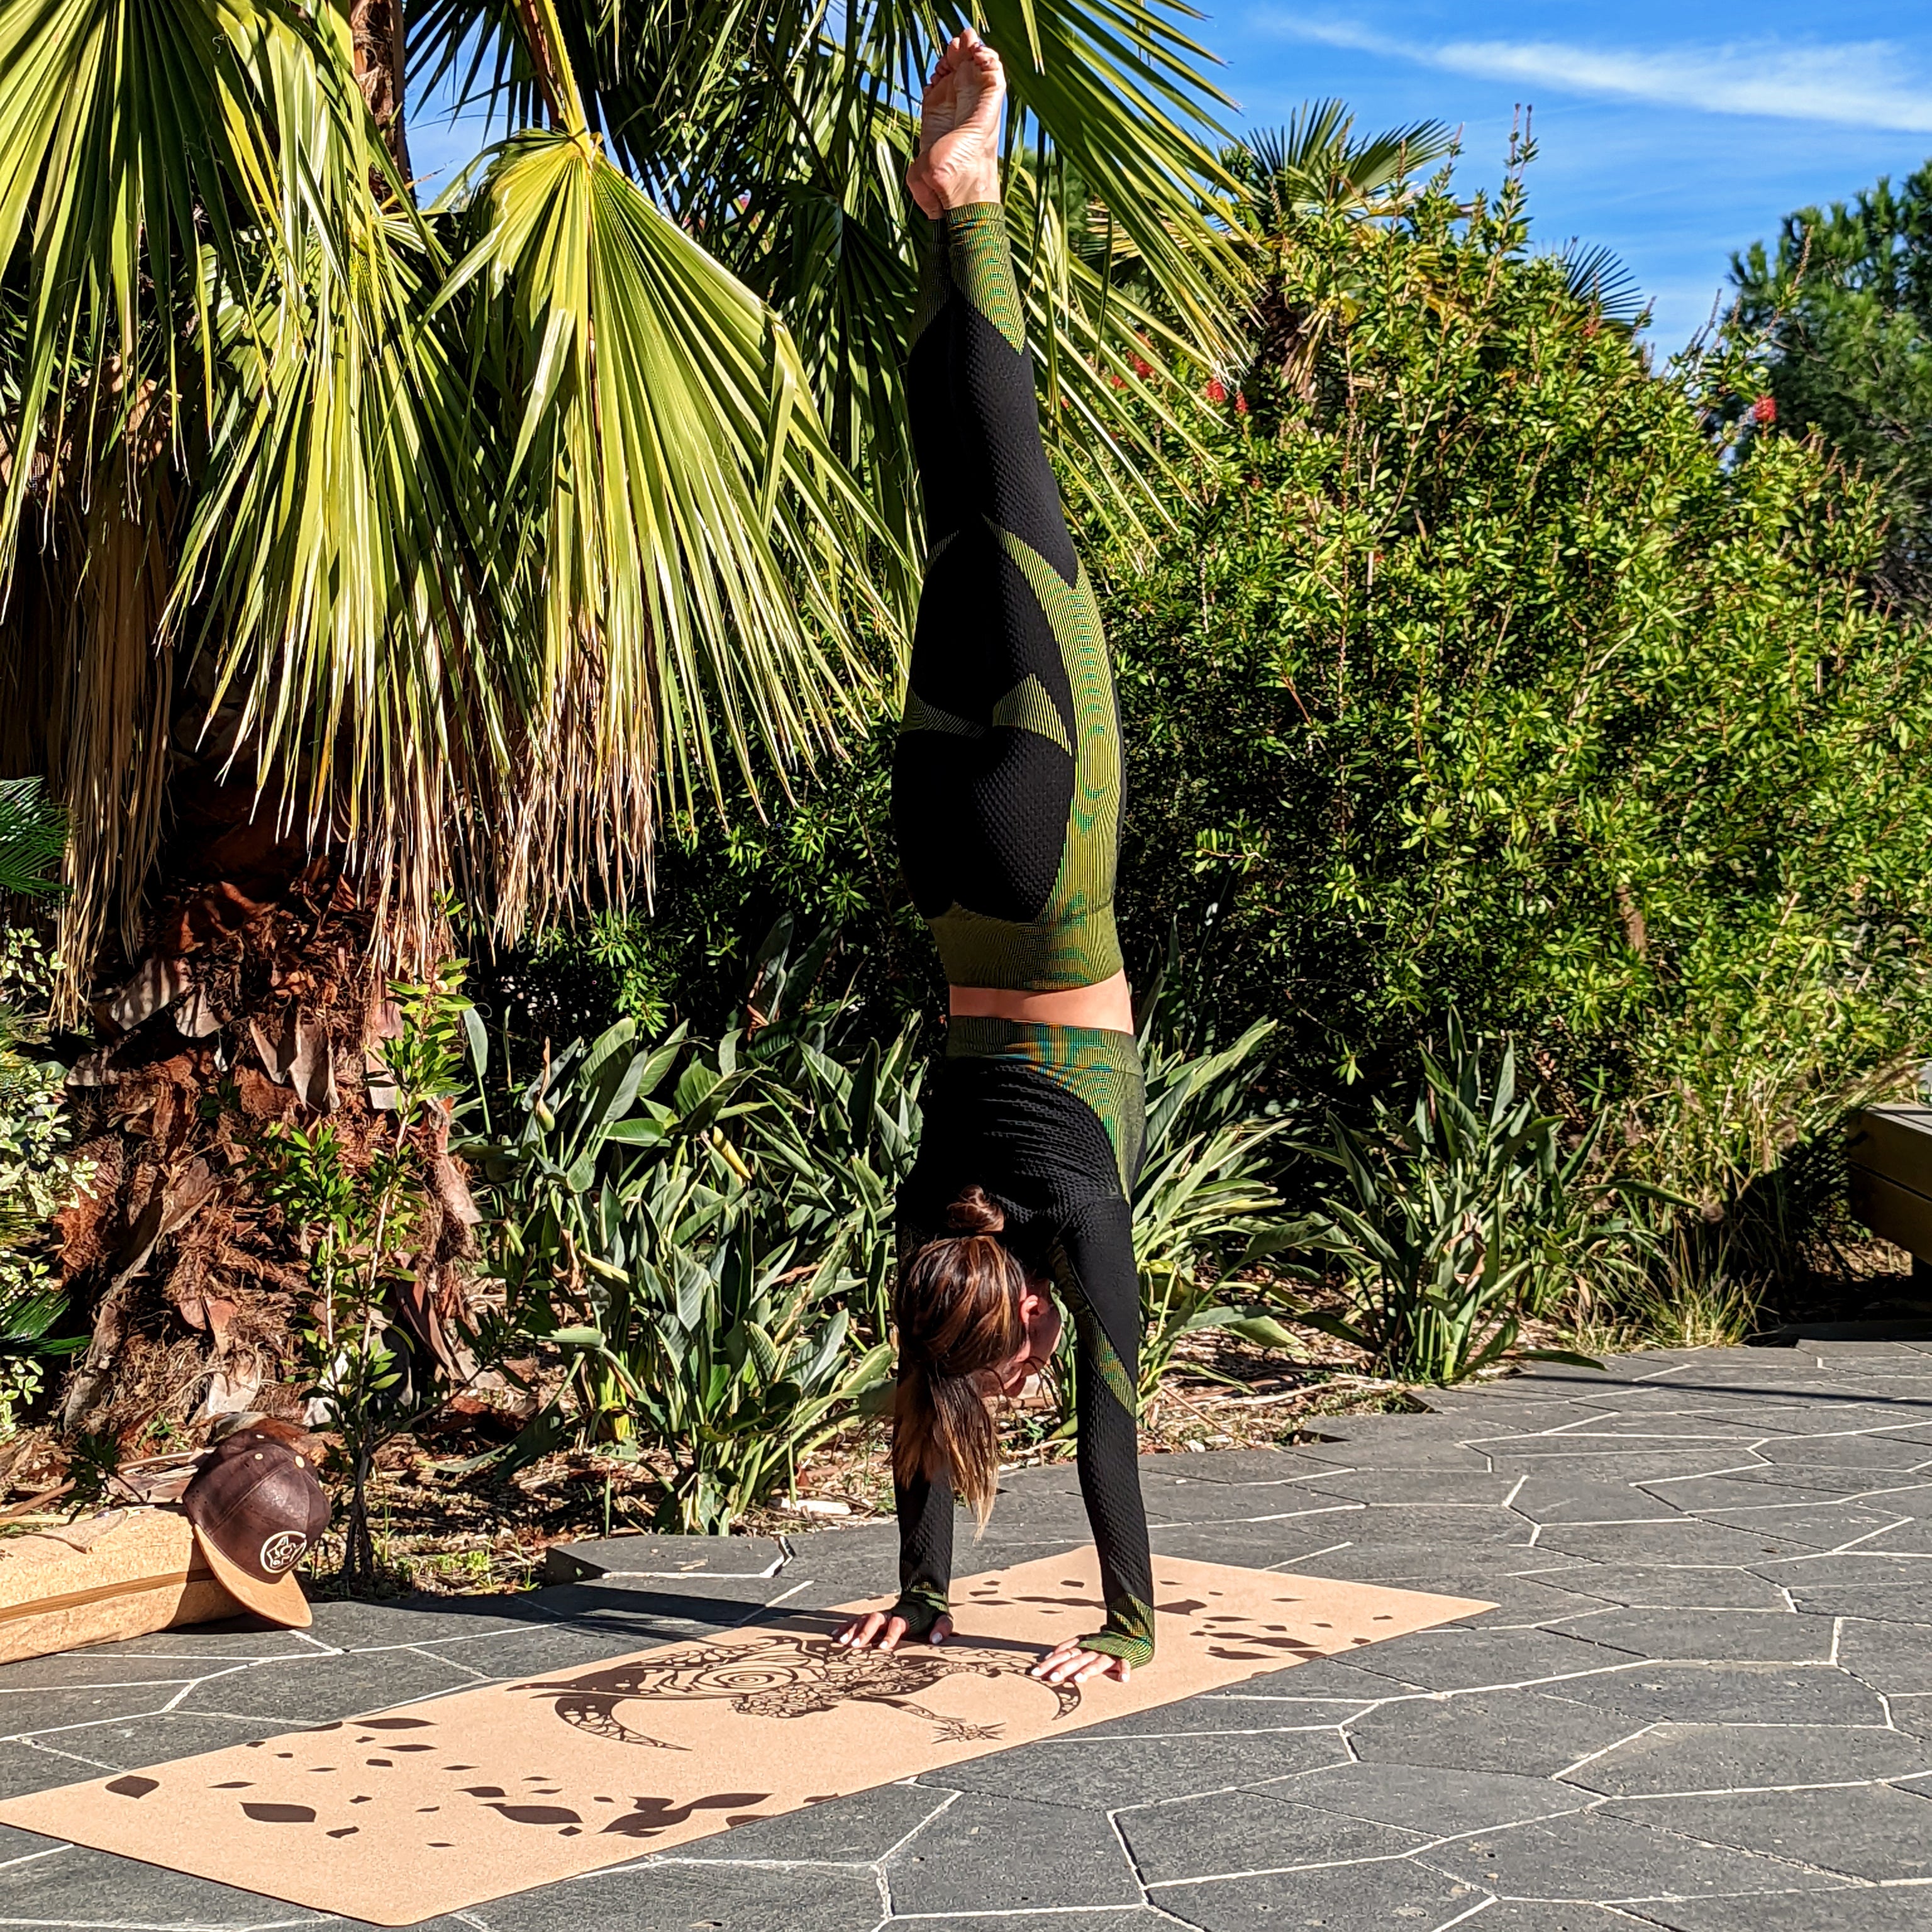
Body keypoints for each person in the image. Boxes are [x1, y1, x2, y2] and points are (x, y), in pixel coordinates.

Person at [833, 30, 1153, 1691]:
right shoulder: (934, 1233)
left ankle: (972, 202)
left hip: (1047, 853)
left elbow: (1113, 1440)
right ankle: (942, 213)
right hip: (943, 861)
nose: (1019, 1386)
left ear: (1020, 1304)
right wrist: (930, 1599)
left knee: (1012, 496)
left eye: (1012, 1368)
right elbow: (921, 1407)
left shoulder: (1079, 1221)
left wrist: (1131, 1630)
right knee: (955, 515)